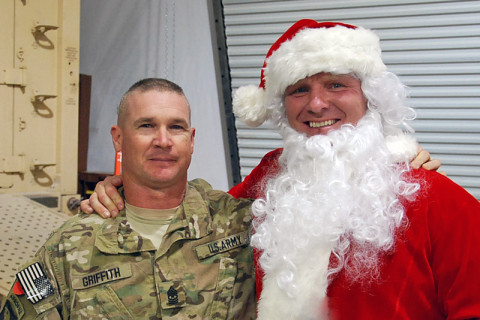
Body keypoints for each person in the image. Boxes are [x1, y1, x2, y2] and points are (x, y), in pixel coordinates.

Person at [78, 21, 462, 319]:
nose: (316, 104)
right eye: (298, 90)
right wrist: (119, 187)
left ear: (369, 95)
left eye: (335, 84)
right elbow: (194, 215)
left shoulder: (437, 198)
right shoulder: (271, 179)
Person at [0, 78, 256, 319]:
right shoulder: (70, 247)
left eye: (176, 127)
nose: (163, 140)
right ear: (118, 138)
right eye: (147, 125)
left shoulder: (242, 224)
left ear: (191, 140)